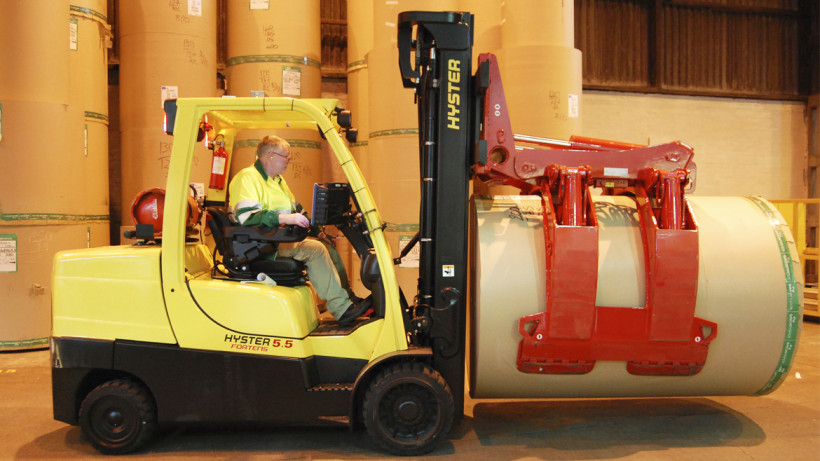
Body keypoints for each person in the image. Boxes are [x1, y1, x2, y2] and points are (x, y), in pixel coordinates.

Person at [228, 135, 370, 326]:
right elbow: (246, 216)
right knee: (315, 249)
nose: (289, 161)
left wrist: (317, 231)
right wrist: (283, 218)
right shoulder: (247, 178)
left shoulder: (278, 181)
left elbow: (297, 210)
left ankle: (348, 300)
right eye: (286, 157)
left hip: (277, 240)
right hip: (262, 246)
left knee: (326, 245)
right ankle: (342, 310)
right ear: (270, 155)